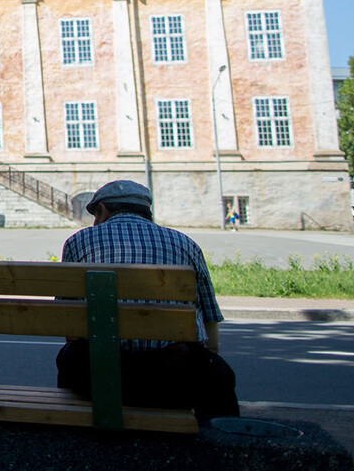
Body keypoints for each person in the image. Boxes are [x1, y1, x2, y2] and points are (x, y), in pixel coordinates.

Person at [56, 180, 239, 423]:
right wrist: (207, 358)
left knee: (70, 354)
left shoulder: (77, 242)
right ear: (147, 213)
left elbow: (68, 323)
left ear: (104, 210)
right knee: (218, 371)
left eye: (95, 215)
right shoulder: (185, 244)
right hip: (172, 378)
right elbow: (209, 315)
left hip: (100, 377)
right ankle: (220, 442)